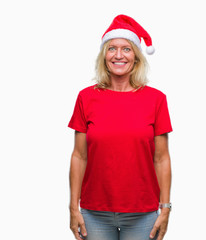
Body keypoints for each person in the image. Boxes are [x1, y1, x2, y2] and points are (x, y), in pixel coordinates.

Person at [68, 14, 173, 240]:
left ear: (136, 57)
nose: (118, 55)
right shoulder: (86, 98)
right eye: (111, 48)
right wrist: (73, 208)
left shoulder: (156, 100)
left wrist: (165, 208)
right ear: (104, 56)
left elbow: (162, 158)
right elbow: (79, 156)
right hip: (94, 213)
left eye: (126, 49)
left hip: (143, 213)